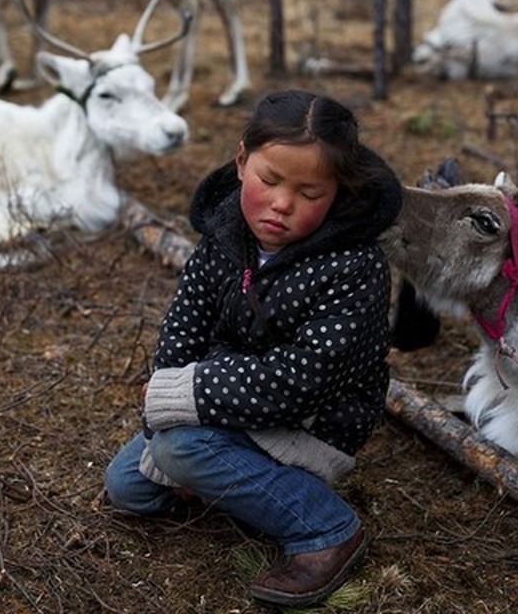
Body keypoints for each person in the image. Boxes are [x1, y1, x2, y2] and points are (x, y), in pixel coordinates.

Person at [104, 89, 404, 608]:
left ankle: (327, 530)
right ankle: (224, 473)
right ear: (243, 162)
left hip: (313, 422)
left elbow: (300, 382)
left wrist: (185, 398)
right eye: (269, 181)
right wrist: (165, 413)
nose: (282, 204)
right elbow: (185, 323)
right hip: (227, 403)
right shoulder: (226, 233)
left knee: (180, 451)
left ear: (338, 191)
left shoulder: (355, 267)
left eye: (310, 194)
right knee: (127, 487)